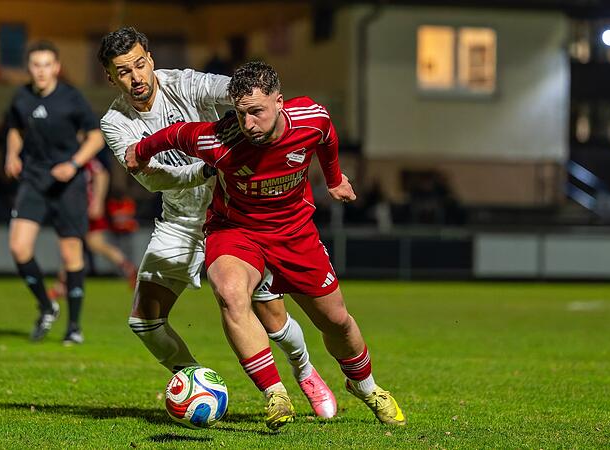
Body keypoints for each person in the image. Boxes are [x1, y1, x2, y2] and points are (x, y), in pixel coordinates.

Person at [126, 61, 406, 430]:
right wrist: (140, 151)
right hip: (236, 232)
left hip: (295, 233)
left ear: (279, 102)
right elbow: (175, 135)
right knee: (229, 292)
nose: (248, 124)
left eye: (256, 112)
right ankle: (275, 392)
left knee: (336, 321)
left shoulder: (311, 118)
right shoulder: (221, 139)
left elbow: (328, 136)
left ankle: (366, 387)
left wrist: (335, 179)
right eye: (241, 114)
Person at [98, 27, 337, 419]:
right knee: (144, 322)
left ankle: (306, 371)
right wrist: (208, 170)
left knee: (272, 317)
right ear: (111, 77)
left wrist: (270, 114)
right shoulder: (114, 122)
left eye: (140, 64)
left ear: (151, 59)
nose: (136, 77)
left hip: (235, 216)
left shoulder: (186, 84)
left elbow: (238, 91)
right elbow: (151, 177)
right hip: (179, 220)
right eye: (124, 71)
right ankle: (192, 381)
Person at [6, 40, 104, 344]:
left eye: (47, 65)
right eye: (36, 65)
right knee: (19, 248)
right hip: (34, 179)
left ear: (57, 68)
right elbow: (15, 129)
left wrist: (74, 164)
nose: (42, 71)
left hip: (68, 183)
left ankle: (74, 327)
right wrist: (11, 155)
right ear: (29, 68)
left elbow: (96, 137)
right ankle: (47, 306)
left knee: (70, 253)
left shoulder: (71, 98)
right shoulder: (21, 98)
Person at [48, 157, 138, 300]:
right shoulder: (73, 157)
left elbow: (101, 174)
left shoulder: (83, 159)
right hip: (77, 209)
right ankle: (129, 269)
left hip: (85, 209)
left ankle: (62, 285)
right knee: (88, 244)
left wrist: (98, 201)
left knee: (81, 244)